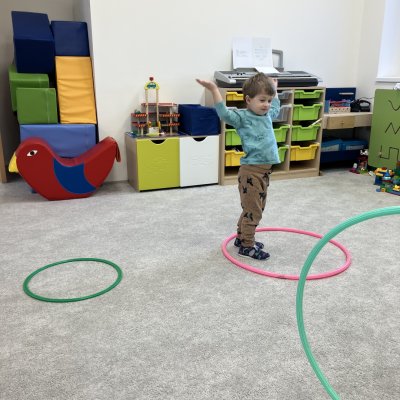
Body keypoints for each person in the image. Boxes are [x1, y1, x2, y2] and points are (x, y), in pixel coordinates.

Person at [196, 73, 281, 260]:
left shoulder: (267, 114)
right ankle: (247, 246)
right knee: (254, 210)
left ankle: (241, 237)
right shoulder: (242, 117)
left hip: (264, 172)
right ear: (248, 100)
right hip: (251, 172)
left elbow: (276, 106)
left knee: (254, 207)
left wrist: (275, 89)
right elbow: (224, 113)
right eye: (262, 100)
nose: (266, 104)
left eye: (268, 100)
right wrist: (214, 89)